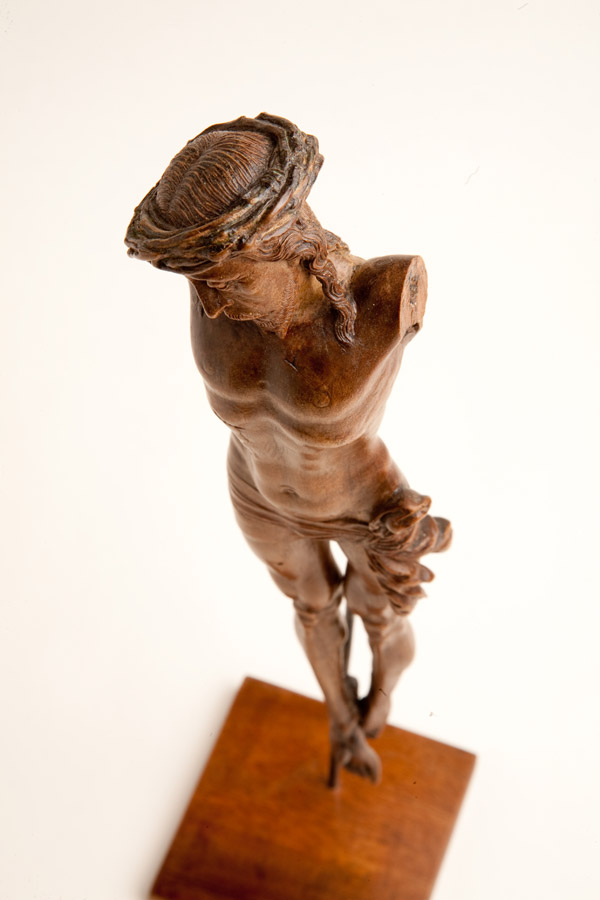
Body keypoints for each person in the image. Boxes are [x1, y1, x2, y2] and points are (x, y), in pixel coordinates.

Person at [125, 113, 451, 784]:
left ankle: (382, 698)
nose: (211, 305)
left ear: (294, 248)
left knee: (381, 617)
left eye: (228, 281)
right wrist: (215, 279)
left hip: (363, 501)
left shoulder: (387, 295)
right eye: (198, 283)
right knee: (310, 606)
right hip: (257, 494)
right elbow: (215, 289)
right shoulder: (214, 283)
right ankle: (340, 722)